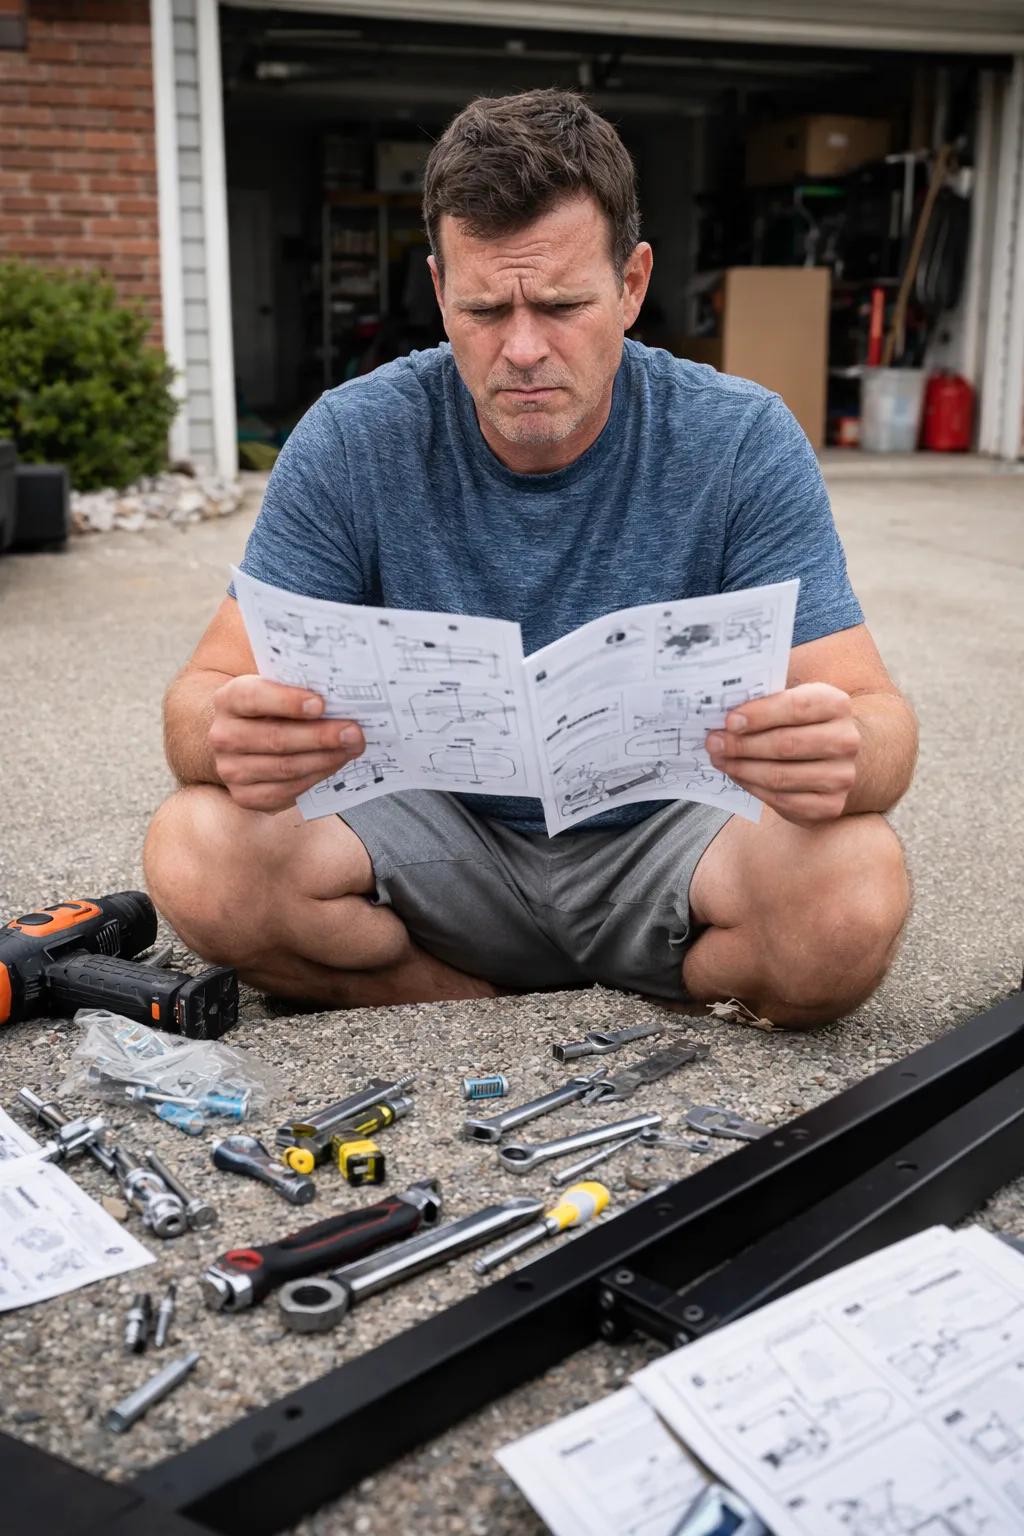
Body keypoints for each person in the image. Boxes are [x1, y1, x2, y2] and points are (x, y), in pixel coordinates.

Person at [145, 89, 915, 1028]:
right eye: (483, 308)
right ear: (439, 290)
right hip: (436, 846)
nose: (521, 348)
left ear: (632, 284)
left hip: (671, 850)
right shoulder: (353, 438)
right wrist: (230, 731)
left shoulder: (738, 438)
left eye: (561, 305)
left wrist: (839, 753)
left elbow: (879, 726)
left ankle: (599, 989)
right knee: (197, 850)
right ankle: (467, 999)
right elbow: (198, 703)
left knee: (853, 890)